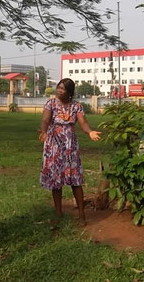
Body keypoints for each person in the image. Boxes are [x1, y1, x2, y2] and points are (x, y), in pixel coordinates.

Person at [39, 78, 101, 226]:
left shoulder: (76, 107)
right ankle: (59, 213)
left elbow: (83, 123)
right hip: (53, 144)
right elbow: (45, 120)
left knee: (75, 180)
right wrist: (44, 131)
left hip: (70, 146)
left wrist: (90, 132)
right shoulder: (51, 103)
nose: (59, 90)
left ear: (70, 92)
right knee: (56, 180)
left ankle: (81, 215)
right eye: (58, 87)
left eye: (63, 89)